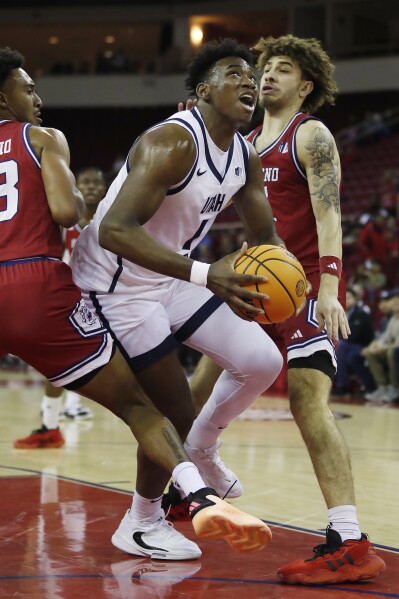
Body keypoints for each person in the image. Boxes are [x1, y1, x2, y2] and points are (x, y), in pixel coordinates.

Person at [0, 46, 272, 559]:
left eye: (251, 74)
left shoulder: (244, 155)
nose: (249, 80)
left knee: (261, 360)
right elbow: (109, 228)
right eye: (234, 72)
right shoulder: (171, 140)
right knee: (166, 408)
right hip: (117, 283)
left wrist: (292, 283)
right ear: (203, 91)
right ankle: (143, 521)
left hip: (172, 274)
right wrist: (207, 273)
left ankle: (203, 453)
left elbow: (267, 240)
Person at [186, 35, 385, 585]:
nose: (267, 75)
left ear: (308, 85)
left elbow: (330, 213)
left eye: (283, 69)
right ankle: (179, 486)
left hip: (297, 289)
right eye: (264, 68)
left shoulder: (311, 134)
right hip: (252, 285)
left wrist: (330, 283)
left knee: (308, 402)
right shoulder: (244, 142)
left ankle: (349, 539)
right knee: (193, 381)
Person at [13, 166, 107, 449]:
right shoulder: (66, 218)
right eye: (85, 183)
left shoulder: (112, 217)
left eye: (95, 183)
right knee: (54, 363)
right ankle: (50, 426)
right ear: (76, 187)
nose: (90, 188)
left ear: (104, 189)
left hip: (111, 297)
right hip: (75, 297)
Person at [333, 286, 375, 396]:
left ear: (355, 299)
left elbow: (364, 335)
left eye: (349, 297)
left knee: (342, 348)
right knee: (338, 349)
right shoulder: (337, 313)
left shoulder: (362, 314)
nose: (346, 300)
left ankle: (342, 386)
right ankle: (337, 385)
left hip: (359, 345)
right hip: (344, 345)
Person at [363, 288, 399, 402]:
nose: (395, 302)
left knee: (391, 352)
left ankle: (395, 387)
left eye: (397, 300)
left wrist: (383, 347)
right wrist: (374, 347)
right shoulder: (394, 318)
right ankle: (383, 387)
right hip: (393, 347)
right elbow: (386, 337)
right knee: (371, 353)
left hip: (395, 349)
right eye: (393, 300)